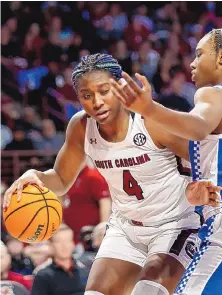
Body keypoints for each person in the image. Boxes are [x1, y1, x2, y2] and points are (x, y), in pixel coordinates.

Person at [3, 53, 217, 295]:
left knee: (148, 291)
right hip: (125, 227)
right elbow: (61, 180)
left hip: (174, 225)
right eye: (86, 95)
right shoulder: (81, 127)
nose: (96, 102)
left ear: (120, 87)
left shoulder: (150, 122)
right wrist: (36, 176)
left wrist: (200, 187)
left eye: (104, 91)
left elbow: (206, 158)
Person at [110, 28, 222, 295]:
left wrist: (149, 109)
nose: (192, 63)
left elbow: (198, 127)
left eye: (199, 54)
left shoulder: (212, 94)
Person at [31, 224, 89, 295]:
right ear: (51, 245)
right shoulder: (43, 275)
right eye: (59, 241)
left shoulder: (85, 269)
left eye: (68, 240)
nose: (64, 246)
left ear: (73, 244)